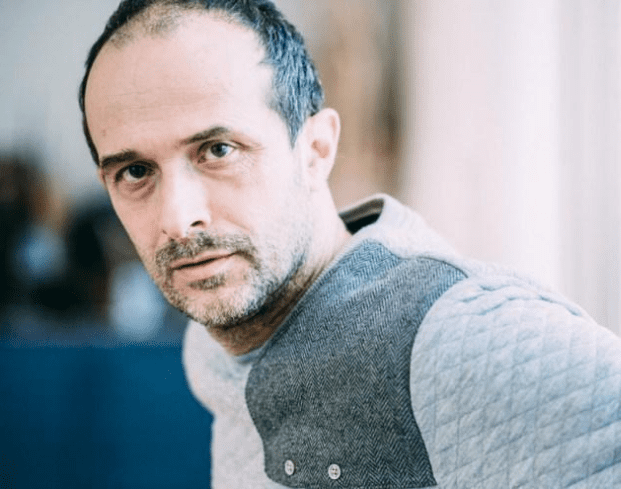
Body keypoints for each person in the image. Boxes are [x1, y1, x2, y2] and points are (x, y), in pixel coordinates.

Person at [79, 1, 621, 487]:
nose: (179, 220)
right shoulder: (210, 343)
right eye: (135, 171)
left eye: (219, 150)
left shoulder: (458, 334)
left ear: (316, 149)